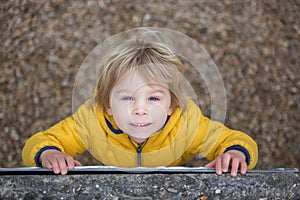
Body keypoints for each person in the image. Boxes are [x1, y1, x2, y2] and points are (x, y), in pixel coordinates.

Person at [22, 40, 258, 176]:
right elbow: (40, 141)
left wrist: (235, 154)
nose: (140, 109)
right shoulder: (92, 120)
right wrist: (49, 154)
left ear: (171, 105)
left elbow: (234, 139)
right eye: (126, 98)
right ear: (108, 105)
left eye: (154, 99)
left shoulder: (186, 123)